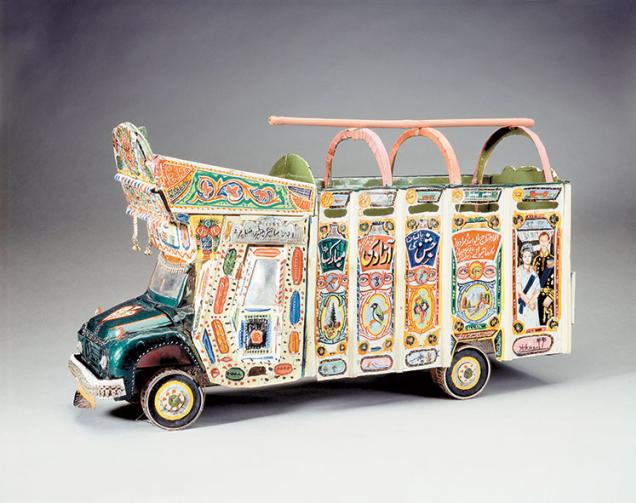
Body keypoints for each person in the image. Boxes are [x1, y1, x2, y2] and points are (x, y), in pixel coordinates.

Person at [532, 231, 555, 325]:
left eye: (546, 241)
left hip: (548, 296)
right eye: (542, 241)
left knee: (546, 322)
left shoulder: (553, 259)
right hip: (537, 295)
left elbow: (558, 280)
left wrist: (551, 297)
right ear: (539, 241)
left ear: (549, 241)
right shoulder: (536, 259)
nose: (544, 243)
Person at [516, 244, 540, 329]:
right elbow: (519, 290)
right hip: (523, 302)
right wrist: (528, 302)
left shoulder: (534, 272)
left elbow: (537, 290)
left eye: (529, 256)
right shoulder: (518, 270)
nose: (527, 258)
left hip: (533, 303)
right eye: (525, 256)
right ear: (522, 258)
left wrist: (531, 302)